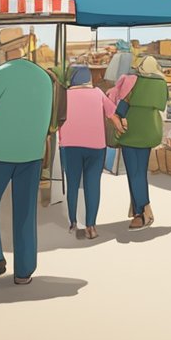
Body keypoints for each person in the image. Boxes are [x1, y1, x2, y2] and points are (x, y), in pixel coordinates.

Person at [0, 39, 53, 289]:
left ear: (3, 51)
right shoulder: (43, 77)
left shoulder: (1, 75)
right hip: (32, 152)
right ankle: (24, 271)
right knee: (26, 210)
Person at [60, 65, 121, 239]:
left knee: (72, 183)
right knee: (92, 185)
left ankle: (73, 222)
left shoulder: (64, 95)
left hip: (70, 146)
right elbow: (112, 115)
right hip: (96, 147)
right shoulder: (98, 93)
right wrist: (120, 127)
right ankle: (91, 226)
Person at [109, 56, 167, 229]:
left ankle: (142, 211)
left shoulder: (132, 80)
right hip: (149, 132)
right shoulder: (162, 84)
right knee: (140, 172)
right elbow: (162, 105)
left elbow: (122, 106)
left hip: (130, 131)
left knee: (133, 173)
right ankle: (138, 209)